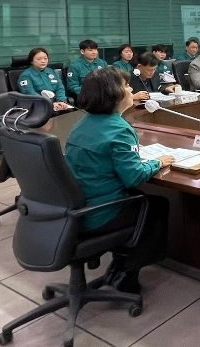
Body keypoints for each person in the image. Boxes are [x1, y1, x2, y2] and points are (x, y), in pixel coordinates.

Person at [65, 67, 174, 293]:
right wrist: (158, 162)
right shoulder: (119, 129)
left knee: (143, 201)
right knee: (155, 205)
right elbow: (134, 177)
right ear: (113, 95)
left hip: (74, 209)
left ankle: (119, 264)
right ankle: (126, 272)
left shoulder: (80, 124)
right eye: (126, 86)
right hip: (99, 213)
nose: (131, 89)